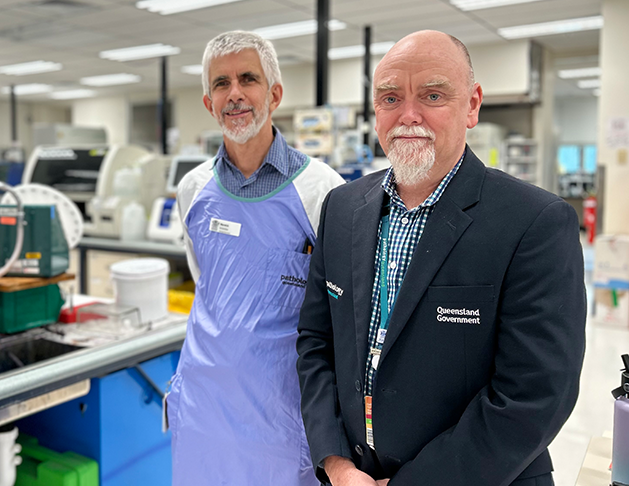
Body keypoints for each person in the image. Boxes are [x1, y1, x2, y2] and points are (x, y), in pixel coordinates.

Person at [296, 30, 586, 486]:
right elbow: (315, 343)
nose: (408, 115)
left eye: (432, 95)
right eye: (390, 98)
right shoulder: (342, 208)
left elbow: (536, 393)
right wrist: (334, 462)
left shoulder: (535, 223)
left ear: (471, 105)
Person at [166, 31, 344, 485]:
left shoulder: (322, 191)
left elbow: (341, 313)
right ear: (208, 103)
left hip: (282, 421)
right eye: (221, 83)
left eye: (249, 78)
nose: (235, 93)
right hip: (203, 412)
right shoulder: (192, 190)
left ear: (275, 94)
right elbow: (208, 283)